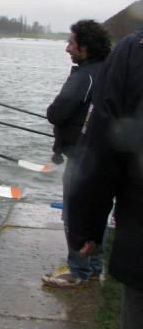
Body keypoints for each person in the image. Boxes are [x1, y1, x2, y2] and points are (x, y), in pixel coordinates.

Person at [67, 29, 143, 328]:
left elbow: (102, 149)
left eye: (71, 43)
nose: (65, 48)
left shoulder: (132, 51)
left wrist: (86, 228)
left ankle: (85, 270)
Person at [41, 19, 112, 288]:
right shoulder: (107, 68)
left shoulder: (85, 76)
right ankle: (93, 267)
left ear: (86, 46)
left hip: (83, 157)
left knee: (75, 215)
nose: (67, 48)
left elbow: (56, 113)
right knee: (97, 212)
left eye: (71, 43)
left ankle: (78, 271)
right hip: (102, 155)